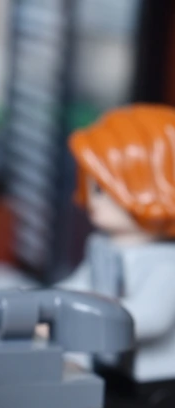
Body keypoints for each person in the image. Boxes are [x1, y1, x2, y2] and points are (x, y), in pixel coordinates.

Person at [59, 104, 175, 383]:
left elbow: (149, 318)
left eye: (101, 188)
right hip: (106, 364)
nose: (92, 199)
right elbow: (77, 287)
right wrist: (41, 306)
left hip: (149, 382)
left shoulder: (166, 264)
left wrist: (78, 319)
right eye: (90, 185)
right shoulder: (103, 247)